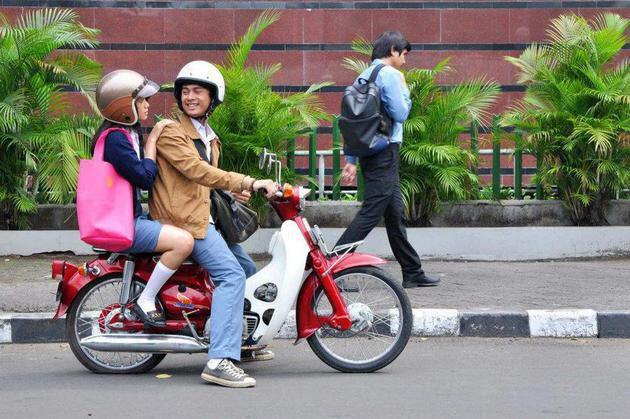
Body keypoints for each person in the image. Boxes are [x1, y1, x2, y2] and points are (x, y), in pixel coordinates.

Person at [149, 60, 276, 388]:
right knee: (231, 276)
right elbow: (196, 171)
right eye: (186, 92)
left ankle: (241, 341)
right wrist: (247, 181)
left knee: (248, 271)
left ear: (213, 98)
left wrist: (233, 190)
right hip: (183, 222)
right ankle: (220, 359)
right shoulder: (170, 132)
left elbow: (204, 181)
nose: (190, 97)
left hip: (204, 219)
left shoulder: (209, 137)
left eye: (198, 92)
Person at [337, 31, 439, 288]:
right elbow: (401, 113)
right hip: (385, 151)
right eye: (404, 54)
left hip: (370, 152)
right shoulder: (392, 75)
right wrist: (405, 91)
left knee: (394, 214)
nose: (405, 60)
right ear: (393, 50)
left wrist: (351, 160)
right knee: (372, 210)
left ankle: (412, 271)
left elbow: (354, 123)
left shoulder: (363, 75)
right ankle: (333, 267)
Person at [92, 70, 195, 327]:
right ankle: (146, 299)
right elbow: (145, 178)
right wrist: (153, 144)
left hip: (128, 218)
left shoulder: (122, 135)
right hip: (123, 224)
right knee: (183, 243)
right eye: (142, 100)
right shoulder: (116, 139)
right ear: (125, 106)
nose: (148, 105)